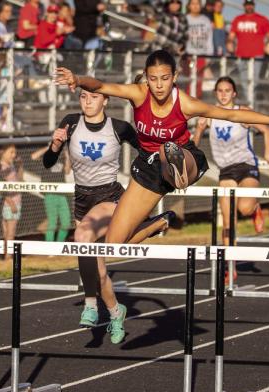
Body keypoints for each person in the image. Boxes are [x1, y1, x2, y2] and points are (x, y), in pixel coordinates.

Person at [54, 49, 269, 248]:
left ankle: (179, 171)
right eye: (153, 79)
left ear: (174, 77)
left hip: (184, 156)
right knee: (114, 244)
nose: (159, 85)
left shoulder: (185, 103)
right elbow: (99, 86)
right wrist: (78, 79)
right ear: (146, 78)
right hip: (148, 167)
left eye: (164, 79)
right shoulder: (139, 94)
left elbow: (231, 115)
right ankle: (158, 223)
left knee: (168, 150)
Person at [42, 89, 172, 344]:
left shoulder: (119, 128)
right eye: (83, 97)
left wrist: (152, 177)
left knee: (81, 237)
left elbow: (149, 152)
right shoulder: (70, 122)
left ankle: (90, 304)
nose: (87, 101)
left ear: (105, 100)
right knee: (97, 272)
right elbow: (48, 162)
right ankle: (115, 312)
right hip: (82, 198)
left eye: (93, 97)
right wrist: (55, 145)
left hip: (110, 196)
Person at [193, 76, 269, 282]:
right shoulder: (209, 114)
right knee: (228, 223)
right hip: (226, 171)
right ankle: (231, 266)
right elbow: (193, 146)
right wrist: (200, 129)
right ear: (215, 94)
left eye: (227, 90)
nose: (223, 94)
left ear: (234, 93)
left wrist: (268, 153)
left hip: (246, 166)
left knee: (244, 208)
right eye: (219, 91)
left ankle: (255, 208)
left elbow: (266, 129)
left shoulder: (243, 112)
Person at [227, 0, 269, 100]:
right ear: (244, 6)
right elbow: (231, 36)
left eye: (251, 5)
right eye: (247, 5)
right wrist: (229, 44)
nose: (249, 7)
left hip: (257, 55)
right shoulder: (238, 19)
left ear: (253, 6)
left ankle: (252, 103)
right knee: (244, 81)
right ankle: (250, 102)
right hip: (241, 55)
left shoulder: (262, 19)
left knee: (255, 81)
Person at [31, 146, 72, 244]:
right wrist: (49, 147)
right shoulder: (46, 157)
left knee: (66, 223)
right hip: (49, 194)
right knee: (52, 223)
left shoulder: (62, 157)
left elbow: (67, 171)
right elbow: (33, 157)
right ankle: (50, 248)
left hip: (62, 194)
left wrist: (66, 155)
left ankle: (58, 245)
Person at [185, 0, 213, 98]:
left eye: (197, 4)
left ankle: (195, 107)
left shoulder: (206, 20)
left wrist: (208, 57)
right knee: (188, 82)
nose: (195, 6)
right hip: (188, 56)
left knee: (199, 83)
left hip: (202, 56)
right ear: (189, 6)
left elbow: (209, 39)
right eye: (193, 3)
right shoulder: (185, 19)